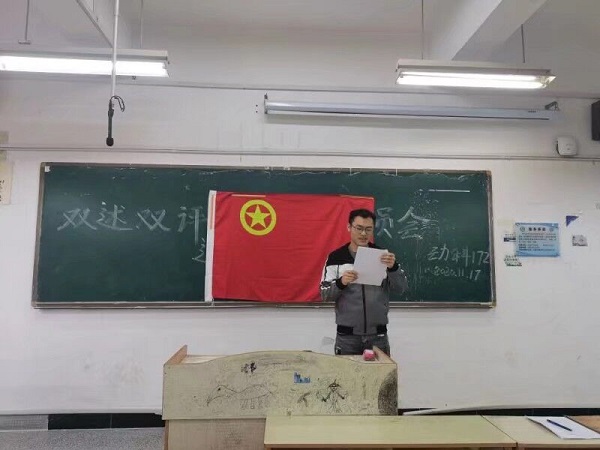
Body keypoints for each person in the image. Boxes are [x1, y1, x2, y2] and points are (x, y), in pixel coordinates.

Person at [320, 209, 408, 356]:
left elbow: (401, 288)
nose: (363, 233)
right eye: (359, 228)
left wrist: (393, 268)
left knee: (381, 372)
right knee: (346, 372)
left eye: (368, 229)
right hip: (347, 337)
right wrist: (341, 282)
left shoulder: (382, 256)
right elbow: (324, 294)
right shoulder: (336, 258)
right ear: (349, 227)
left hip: (378, 336)